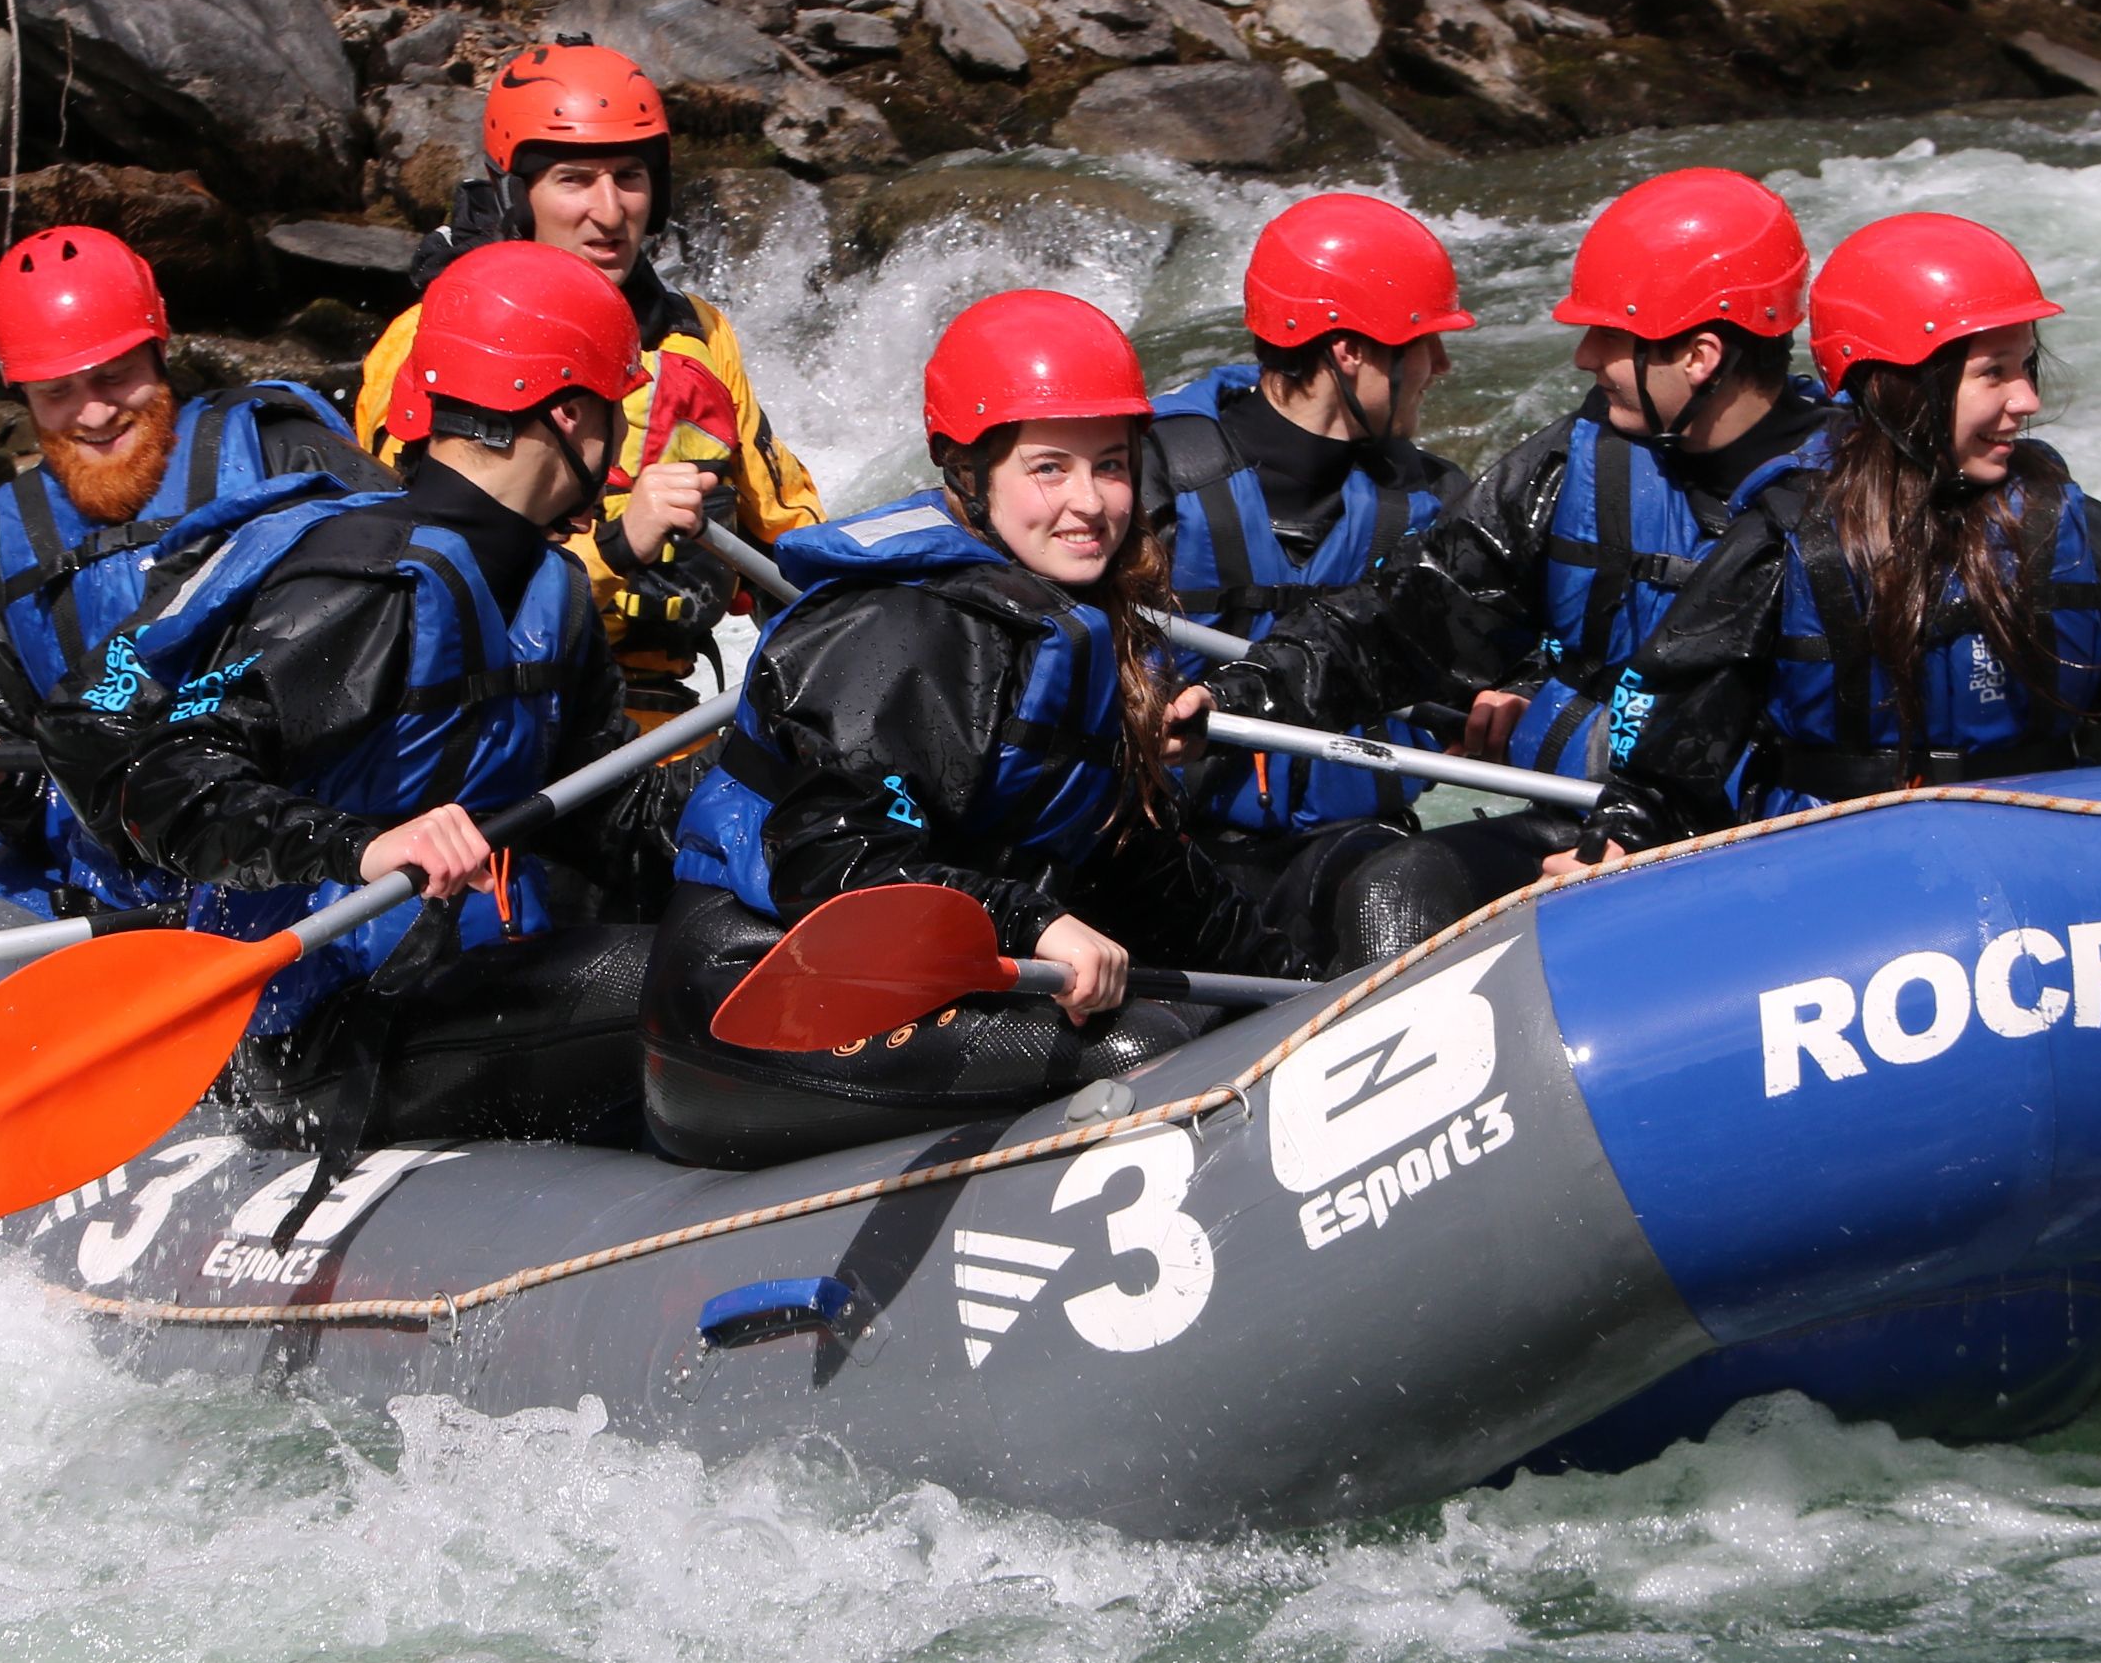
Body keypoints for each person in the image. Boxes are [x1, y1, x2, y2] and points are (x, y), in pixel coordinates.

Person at [642, 291, 1312, 1171]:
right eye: (1048, 469)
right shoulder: (901, 628)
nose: (1089, 503)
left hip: (927, 983)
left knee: (1237, 1003)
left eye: (1110, 465)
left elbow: (1133, 857)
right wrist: (1035, 922)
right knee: (1141, 1049)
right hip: (760, 994)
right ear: (970, 471)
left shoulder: (1068, 618)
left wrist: (1305, 993)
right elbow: (833, 859)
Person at [32, 243, 668, 1150]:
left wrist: (788, 768)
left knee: (722, 938)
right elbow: (166, 778)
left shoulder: (550, 586)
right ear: (569, 413)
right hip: (319, 1034)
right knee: (683, 978)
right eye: (616, 408)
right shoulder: (369, 585)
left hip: (461, 981)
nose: (620, 442)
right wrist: (364, 848)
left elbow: (607, 816)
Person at [1590, 211, 2101, 838]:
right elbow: (1663, 773)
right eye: (1994, 373)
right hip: (1844, 868)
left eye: (2024, 367)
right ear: (1899, 385)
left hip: (2044, 850)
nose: (2027, 401)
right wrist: (1620, 838)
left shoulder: (2082, 535)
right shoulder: (1782, 544)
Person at [1203, 165, 1829, 797]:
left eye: (1610, 335)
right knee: (1392, 889)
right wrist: (1252, 689)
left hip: (1789, 842)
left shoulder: (1862, 495)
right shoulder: (1571, 464)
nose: (1584, 357)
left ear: (1699, 357)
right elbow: (1415, 614)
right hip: (1601, 821)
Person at [0, 224, 386, 906]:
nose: (92, 413)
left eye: (113, 377)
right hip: (135, 894)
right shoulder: (29, 551)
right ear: (24, 398)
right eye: (57, 392)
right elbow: (36, 799)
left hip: (313, 861)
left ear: (158, 354)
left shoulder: (287, 456)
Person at [353, 41, 826, 717]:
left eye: (630, 177)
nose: (609, 213)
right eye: (574, 179)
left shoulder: (699, 337)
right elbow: (399, 579)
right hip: (488, 715)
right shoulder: (427, 342)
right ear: (517, 196)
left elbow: (788, 529)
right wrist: (612, 550)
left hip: (659, 716)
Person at [1145, 193, 1551, 951]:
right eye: (1424, 343)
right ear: (1349, 351)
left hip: (1354, 846)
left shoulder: (1435, 502)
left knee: (1389, 902)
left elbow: (1528, 649)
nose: (1442, 366)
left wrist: (1517, 694)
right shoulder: (1147, 478)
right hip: (1168, 852)